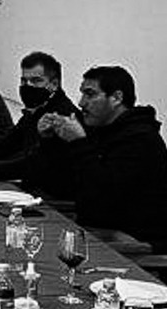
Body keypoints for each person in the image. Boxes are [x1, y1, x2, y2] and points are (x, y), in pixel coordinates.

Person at [42, 66, 167, 250]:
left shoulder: (140, 139)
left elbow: (102, 198)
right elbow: (60, 187)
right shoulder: (99, 131)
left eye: (90, 94)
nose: (81, 103)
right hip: (94, 230)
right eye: (82, 94)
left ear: (116, 98)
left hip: (131, 243)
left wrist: (78, 143)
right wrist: (50, 141)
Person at [0, 52, 79, 200]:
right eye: (24, 81)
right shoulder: (37, 109)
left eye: (36, 81)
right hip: (30, 188)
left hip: (50, 198)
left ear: (54, 84)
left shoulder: (61, 116)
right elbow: (6, 145)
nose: (28, 86)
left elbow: (30, 165)